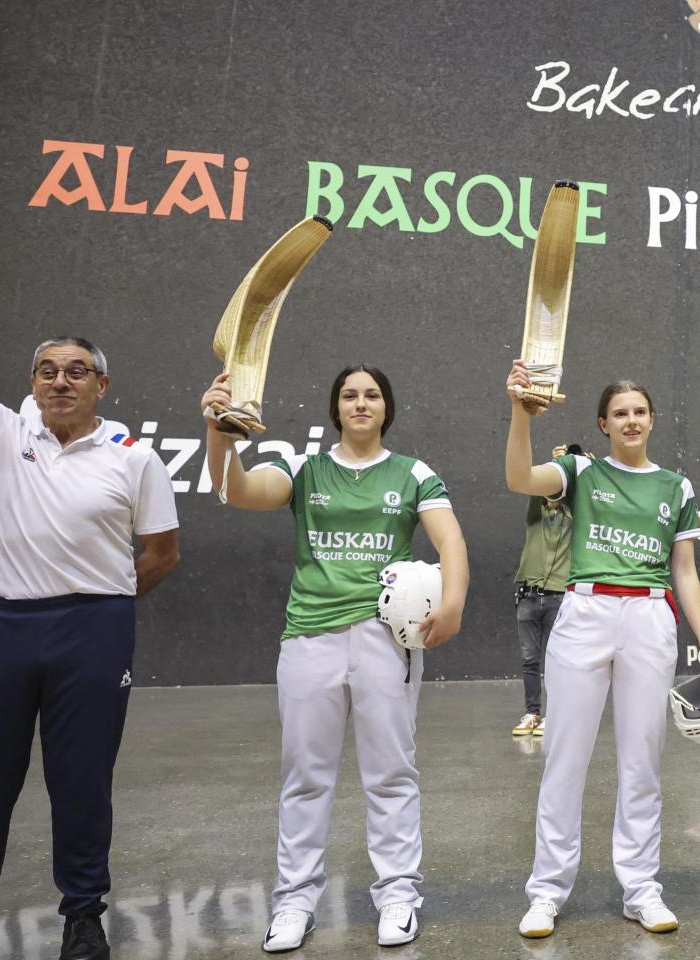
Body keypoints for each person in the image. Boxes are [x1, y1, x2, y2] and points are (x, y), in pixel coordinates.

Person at [200, 364, 468, 951]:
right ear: (335, 408)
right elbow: (237, 490)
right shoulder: (303, 468)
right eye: (349, 395)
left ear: (386, 407)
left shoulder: (412, 472)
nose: (361, 403)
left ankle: (398, 896)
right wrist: (220, 431)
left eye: (371, 395)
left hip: (383, 640)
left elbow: (449, 539)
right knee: (305, 776)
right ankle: (294, 902)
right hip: (309, 637)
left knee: (391, 773)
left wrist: (452, 602)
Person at [505, 369, 700, 939]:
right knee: (565, 756)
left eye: (640, 411)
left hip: (650, 618)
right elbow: (517, 478)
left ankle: (641, 888)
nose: (631, 420)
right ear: (603, 425)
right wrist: (520, 413)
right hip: (584, 614)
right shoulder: (581, 470)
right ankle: (546, 892)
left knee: (641, 760)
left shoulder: (676, 487)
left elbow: (685, 571)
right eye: (620, 413)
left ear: (652, 420)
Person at [0, 337, 180, 960]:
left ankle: (83, 917)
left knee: (82, 781)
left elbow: (161, 553)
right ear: (33, 381)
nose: (60, 382)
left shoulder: (134, 458)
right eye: (47, 371)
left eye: (76, 372)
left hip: (93, 631)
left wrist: (104, 602)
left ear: (102, 385)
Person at [510, 443, 575, 737]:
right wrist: (554, 462)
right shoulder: (535, 515)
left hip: (559, 597)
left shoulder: (575, 518)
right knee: (529, 659)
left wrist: (580, 470)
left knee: (558, 661)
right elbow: (535, 484)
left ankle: (555, 715)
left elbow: (577, 496)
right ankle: (532, 713)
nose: (551, 495)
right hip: (527, 595)